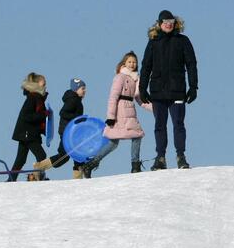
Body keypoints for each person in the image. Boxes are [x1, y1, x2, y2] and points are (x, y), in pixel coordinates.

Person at [140, 10, 198, 171]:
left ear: (175, 23)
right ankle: (160, 158)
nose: (168, 24)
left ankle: (181, 156)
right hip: (158, 91)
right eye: (165, 21)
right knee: (160, 125)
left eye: (171, 21)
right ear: (159, 24)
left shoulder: (183, 41)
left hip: (177, 91)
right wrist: (142, 88)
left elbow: (191, 64)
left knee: (178, 124)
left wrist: (193, 87)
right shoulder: (153, 42)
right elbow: (146, 66)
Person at [82, 52, 153, 178]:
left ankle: (91, 164)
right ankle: (133, 165)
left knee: (131, 137)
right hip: (119, 112)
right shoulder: (120, 77)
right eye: (130, 61)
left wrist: (156, 109)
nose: (132, 64)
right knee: (117, 141)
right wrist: (110, 116)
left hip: (130, 111)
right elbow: (113, 97)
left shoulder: (136, 79)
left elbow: (140, 100)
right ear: (124, 63)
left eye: (134, 62)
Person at [36, 78, 87, 179]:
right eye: (83, 88)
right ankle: (39, 167)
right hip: (67, 132)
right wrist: (78, 119)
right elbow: (63, 113)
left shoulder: (76, 100)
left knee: (78, 155)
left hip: (72, 132)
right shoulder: (73, 100)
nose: (85, 91)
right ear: (76, 89)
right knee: (64, 156)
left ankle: (78, 179)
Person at [9, 73, 51, 182]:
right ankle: (37, 177)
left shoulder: (38, 98)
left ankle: (11, 180)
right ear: (36, 84)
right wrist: (44, 114)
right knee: (41, 155)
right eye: (43, 82)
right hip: (28, 133)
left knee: (21, 159)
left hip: (28, 133)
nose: (45, 84)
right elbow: (26, 116)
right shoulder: (33, 98)